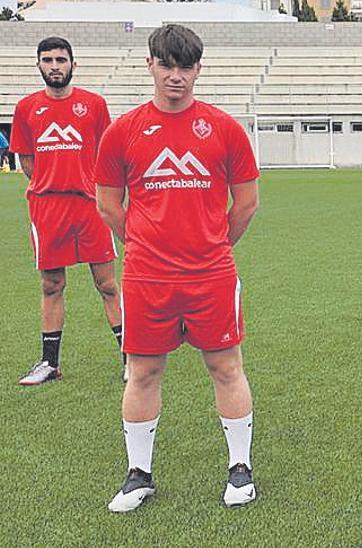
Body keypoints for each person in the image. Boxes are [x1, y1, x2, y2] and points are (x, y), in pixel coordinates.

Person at [96, 24, 261, 512]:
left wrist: (211, 245)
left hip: (211, 274)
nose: (176, 76)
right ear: (149, 65)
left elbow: (246, 203)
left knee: (225, 366)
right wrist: (146, 244)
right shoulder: (122, 131)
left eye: (185, 66)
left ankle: (240, 469)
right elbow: (108, 203)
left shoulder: (224, 128)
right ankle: (138, 474)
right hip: (147, 276)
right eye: (166, 65)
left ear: (198, 70)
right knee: (142, 372)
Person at [9, 36, 124, 386]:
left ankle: (130, 358)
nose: (55, 66)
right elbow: (26, 160)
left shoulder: (94, 104)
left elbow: (108, 155)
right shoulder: (26, 108)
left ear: (73, 64)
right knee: (51, 284)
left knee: (106, 283)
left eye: (61, 59)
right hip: (47, 207)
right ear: (38, 65)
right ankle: (50, 364)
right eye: (48, 60)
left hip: (90, 206)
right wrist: (51, 181)